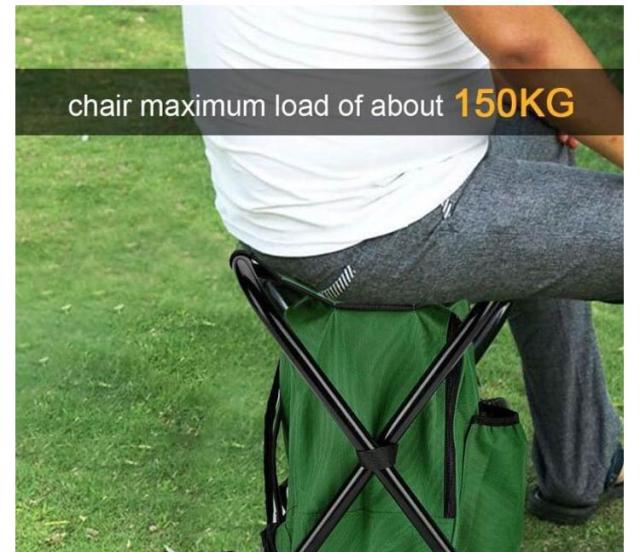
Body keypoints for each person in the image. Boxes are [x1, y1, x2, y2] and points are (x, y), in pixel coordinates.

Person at [182, 5, 623, 524]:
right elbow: (525, 42)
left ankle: (584, 463)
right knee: (546, 101)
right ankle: (583, 463)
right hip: (377, 226)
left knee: (535, 121)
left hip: (291, 208)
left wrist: (533, 88)